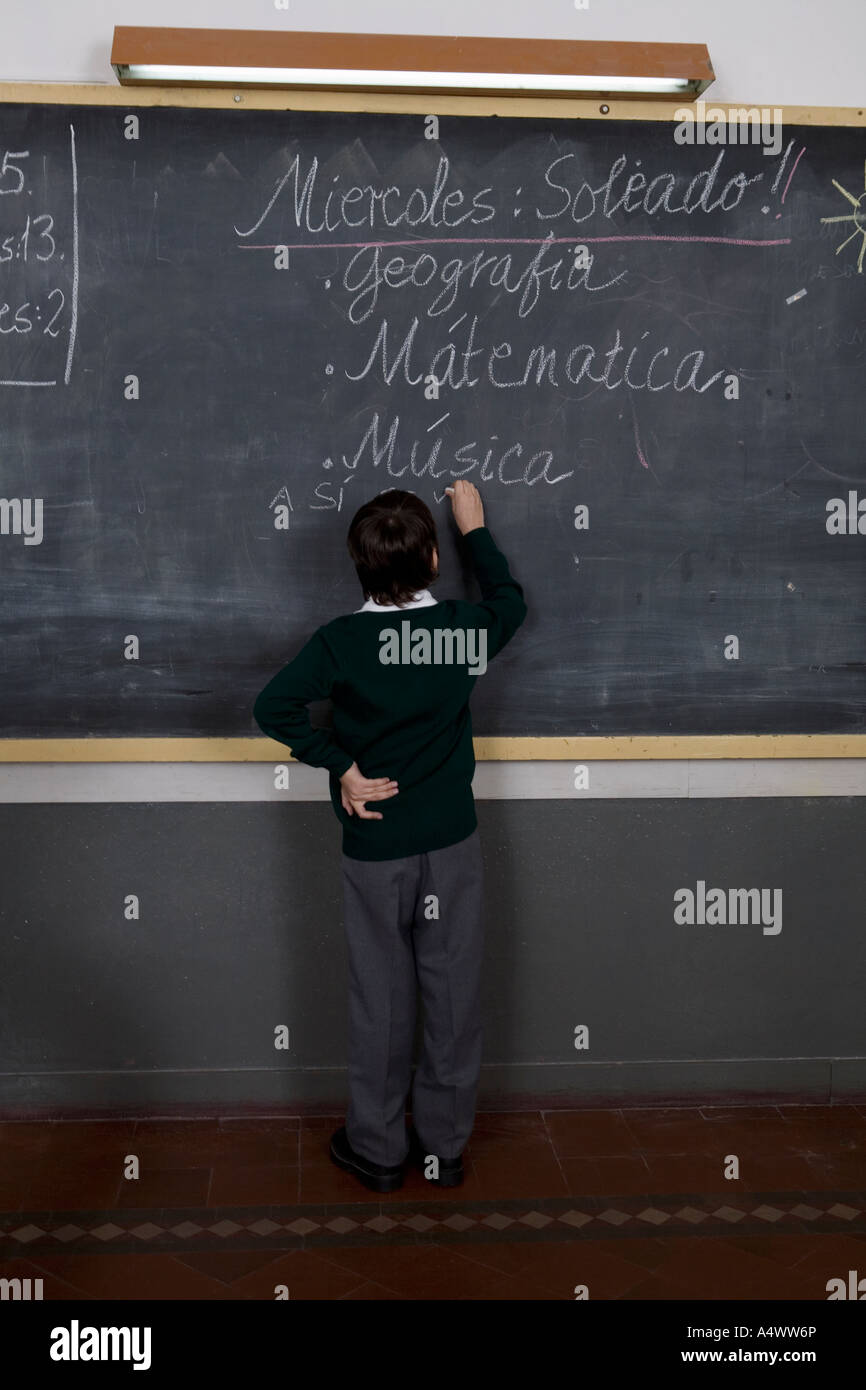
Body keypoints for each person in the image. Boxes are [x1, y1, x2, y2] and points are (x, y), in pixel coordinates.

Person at [253, 481, 527, 1191]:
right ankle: (442, 1149)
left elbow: (272, 705)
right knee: (453, 996)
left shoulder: (339, 644)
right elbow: (511, 602)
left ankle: (377, 1151)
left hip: (376, 847)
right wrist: (475, 530)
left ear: (359, 567)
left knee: (381, 998)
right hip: (452, 843)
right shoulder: (464, 631)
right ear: (434, 560)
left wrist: (339, 764)